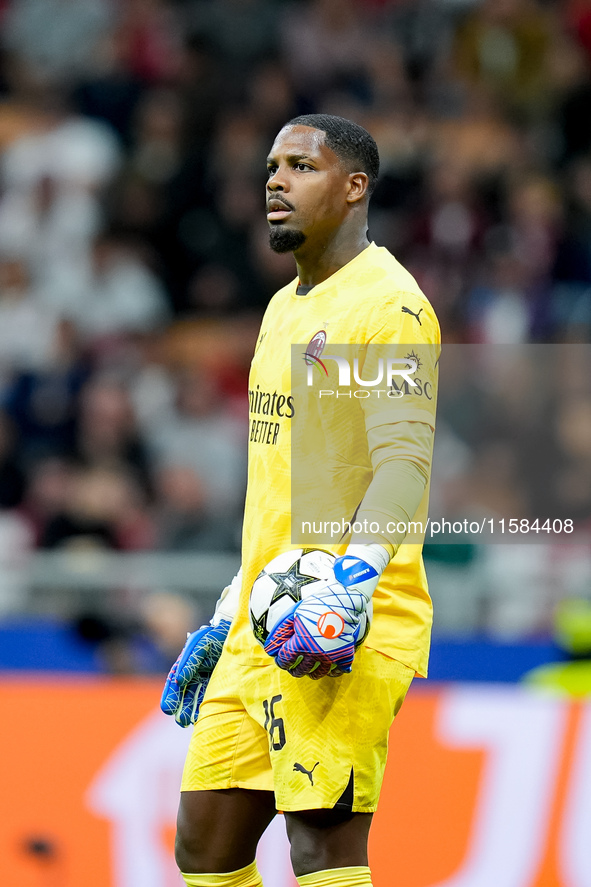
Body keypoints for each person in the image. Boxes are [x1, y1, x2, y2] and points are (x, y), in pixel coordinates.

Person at [161, 114, 440, 887]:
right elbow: (280, 483)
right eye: (272, 166)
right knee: (206, 850)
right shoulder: (285, 306)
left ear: (354, 187)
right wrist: (229, 607)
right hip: (264, 612)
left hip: (343, 617)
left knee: (320, 849)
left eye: (300, 167)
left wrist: (353, 576)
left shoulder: (388, 307)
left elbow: (401, 465)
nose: (275, 181)